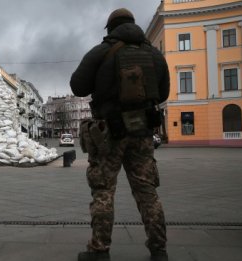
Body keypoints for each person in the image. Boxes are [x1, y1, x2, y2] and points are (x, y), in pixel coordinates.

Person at [70, 8, 170, 261]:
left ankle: (99, 250)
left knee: (103, 191)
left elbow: (78, 86)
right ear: (132, 24)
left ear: (110, 28)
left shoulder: (102, 51)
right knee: (147, 192)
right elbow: (165, 92)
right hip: (143, 132)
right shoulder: (155, 54)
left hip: (110, 134)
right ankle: (158, 250)